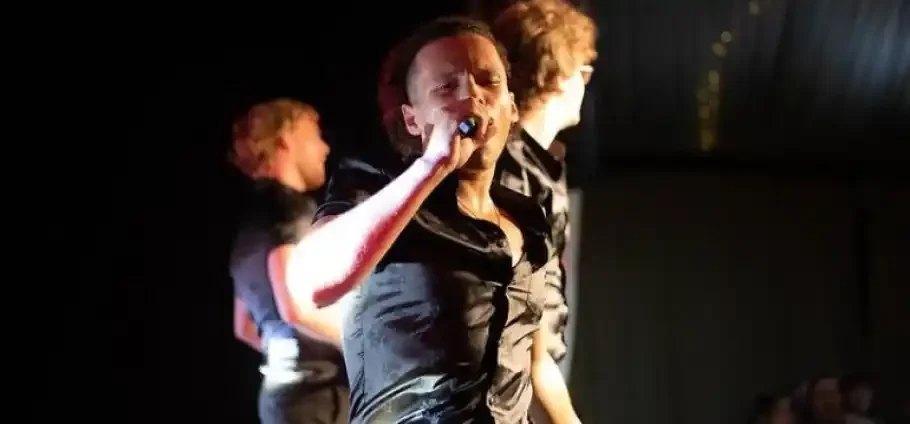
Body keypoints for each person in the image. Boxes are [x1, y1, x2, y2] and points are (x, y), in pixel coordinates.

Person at [283, 16, 581, 424]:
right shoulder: (376, 189)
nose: (472, 96)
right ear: (411, 119)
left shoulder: (529, 216)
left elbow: (534, 360)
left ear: (512, 106)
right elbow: (310, 285)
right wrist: (432, 165)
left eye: (488, 81)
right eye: (447, 87)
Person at [490, 0, 599, 377]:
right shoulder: (512, 171)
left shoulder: (535, 168)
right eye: (583, 74)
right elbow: (517, 320)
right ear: (557, 75)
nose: (585, 85)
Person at [228, 98, 349, 424]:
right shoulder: (290, 212)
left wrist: (288, 356)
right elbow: (295, 308)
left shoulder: (248, 226)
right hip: (319, 399)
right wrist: (362, 343)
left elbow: (245, 327)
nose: (324, 148)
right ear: (285, 139)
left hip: (282, 397)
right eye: (314, 135)